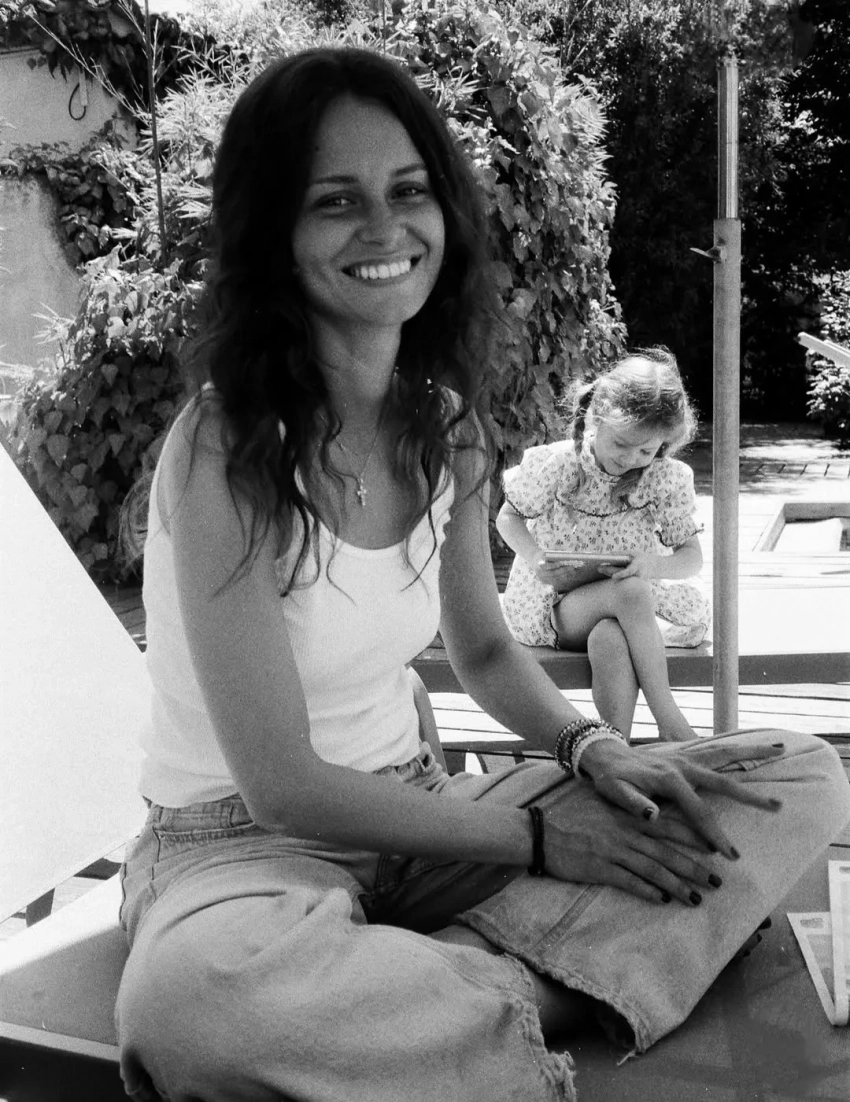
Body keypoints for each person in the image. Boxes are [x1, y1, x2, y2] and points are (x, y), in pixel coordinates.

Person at [114, 46, 850, 1102]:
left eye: (409, 191)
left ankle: (424, 1007)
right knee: (198, 1004)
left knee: (793, 775)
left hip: (426, 814)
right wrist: (540, 840)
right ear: (270, 232)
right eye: (335, 201)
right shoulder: (224, 448)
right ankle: (535, 986)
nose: (384, 228)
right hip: (243, 851)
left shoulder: (444, 427)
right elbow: (280, 783)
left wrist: (593, 751)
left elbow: (488, 650)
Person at [497, 350, 710, 741]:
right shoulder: (559, 464)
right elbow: (507, 518)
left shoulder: (663, 478)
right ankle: (670, 720)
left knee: (609, 637)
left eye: (646, 451)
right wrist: (536, 557)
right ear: (596, 418)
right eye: (622, 444)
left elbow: (691, 559)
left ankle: (616, 746)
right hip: (557, 606)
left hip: (621, 614)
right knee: (630, 592)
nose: (631, 459)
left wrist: (651, 564)